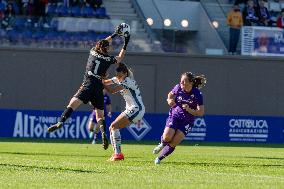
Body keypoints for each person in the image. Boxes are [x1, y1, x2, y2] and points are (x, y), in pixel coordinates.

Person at [47, 24, 130, 150]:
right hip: (98, 88)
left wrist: (114, 34)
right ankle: (102, 133)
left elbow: (104, 41)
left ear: (98, 46)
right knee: (100, 116)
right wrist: (125, 42)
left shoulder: (92, 52)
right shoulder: (108, 59)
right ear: (107, 49)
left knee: (72, 104)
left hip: (87, 84)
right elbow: (120, 58)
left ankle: (60, 122)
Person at [152, 72, 206, 165]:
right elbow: (170, 95)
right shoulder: (178, 88)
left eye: (184, 82)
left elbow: (201, 112)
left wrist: (189, 110)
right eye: (181, 82)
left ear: (191, 83)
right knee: (167, 137)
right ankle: (162, 144)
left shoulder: (197, 94)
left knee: (174, 142)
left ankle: (159, 158)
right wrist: (169, 100)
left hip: (187, 121)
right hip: (175, 115)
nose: (181, 84)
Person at [103, 63, 145, 161]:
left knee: (114, 127)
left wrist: (100, 81)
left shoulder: (128, 81)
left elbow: (111, 90)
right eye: (117, 76)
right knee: (112, 128)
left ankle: (118, 155)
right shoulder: (119, 78)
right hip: (132, 108)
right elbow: (106, 82)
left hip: (137, 108)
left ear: (125, 73)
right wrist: (99, 77)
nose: (119, 78)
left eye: (120, 76)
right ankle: (116, 154)